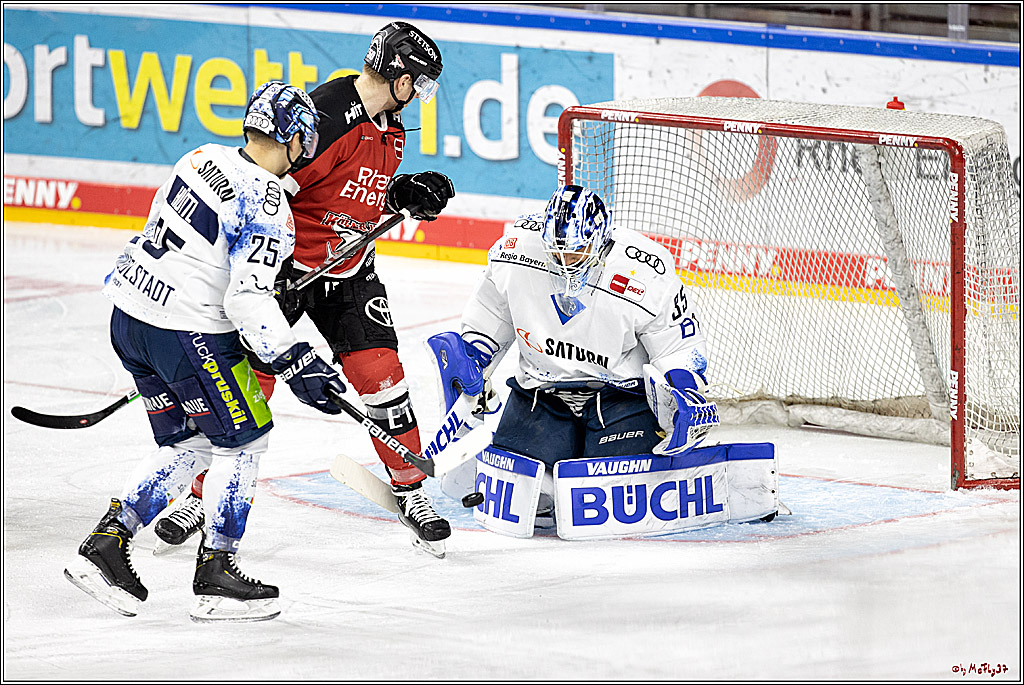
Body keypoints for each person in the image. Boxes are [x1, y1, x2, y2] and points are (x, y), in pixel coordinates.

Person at [154, 21, 456, 557]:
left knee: (381, 375)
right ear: (398, 74)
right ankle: (199, 496)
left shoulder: (391, 124)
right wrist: (267, 276)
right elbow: (262, 188)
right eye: (422, 81)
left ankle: (410, 488)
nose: (423, 94)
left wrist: (402, 196)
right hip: (285, 272)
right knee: (248, 390)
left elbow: (354, 197)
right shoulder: (328, 116)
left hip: (348, 268)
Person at [64, 81, 346, 622]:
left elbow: (207, 259)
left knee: (189, 441)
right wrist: (296, 359)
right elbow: (246, 299)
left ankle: (106, 543)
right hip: (187, 334)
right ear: (293, 138)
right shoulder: (269, 206)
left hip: (130, 316)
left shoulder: (199, 158)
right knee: (245, 441)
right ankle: (217, 573)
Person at [427, 184, 720, 523]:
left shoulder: (647, 271)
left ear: (600, 241)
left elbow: (678, 343)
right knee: (525, 491)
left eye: (577, 252)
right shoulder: (515, 251)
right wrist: (475, 360)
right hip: (541, 394)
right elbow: (490, 315)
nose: (566, 262)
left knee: (616, 491)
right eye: (557, 252)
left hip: (620, 398)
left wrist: (685, 389)